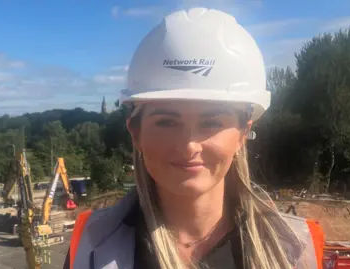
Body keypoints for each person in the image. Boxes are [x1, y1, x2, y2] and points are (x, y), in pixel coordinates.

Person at [64, 7, 324, 269]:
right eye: (166, 122)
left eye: (211, 122)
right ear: (136, 132)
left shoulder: (295, 248)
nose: (188, 145)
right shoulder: (93, 246)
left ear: (243, 133)